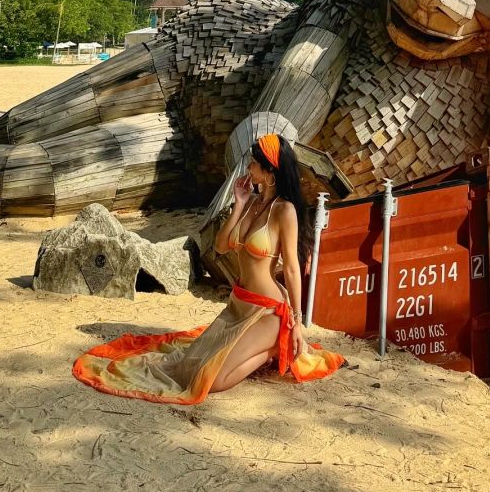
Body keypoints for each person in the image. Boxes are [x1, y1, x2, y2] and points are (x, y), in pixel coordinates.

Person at [72, 133, 345, 404]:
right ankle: (271, 346)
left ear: (269, 170)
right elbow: (223, 246)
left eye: (253, 163)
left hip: (268, 311)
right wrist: (238, 204)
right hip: (239, 305)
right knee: (189, 367)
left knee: (211, 381)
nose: (248, 168)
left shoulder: (284, 211)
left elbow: (294, 270)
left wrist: (296, 322)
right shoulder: (250, 203)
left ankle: (276, 344)